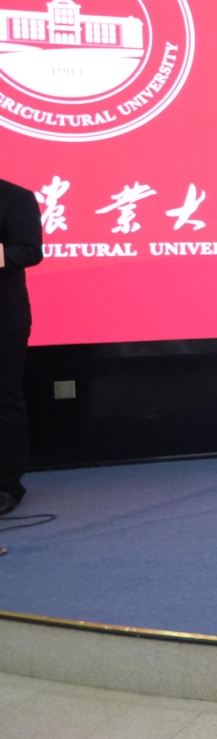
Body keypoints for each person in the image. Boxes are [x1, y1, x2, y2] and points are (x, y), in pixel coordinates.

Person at [0, 177, 43, 518]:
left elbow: (30, 250)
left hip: (4, 319)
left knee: (4, 399)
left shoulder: (14, 197)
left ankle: (7, 486)